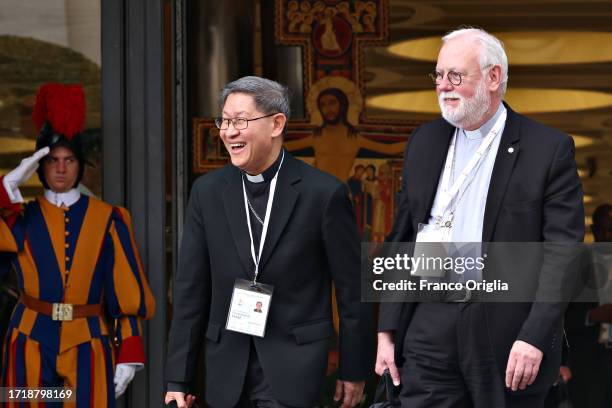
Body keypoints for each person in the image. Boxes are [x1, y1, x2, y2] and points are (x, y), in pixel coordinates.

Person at [375, 28, 584, 407]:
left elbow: (563, 254)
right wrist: (387, 330)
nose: (443, 86)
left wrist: (535, 335)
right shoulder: (423, 142)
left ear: (493, 77)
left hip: (505, 331)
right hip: (429, 320)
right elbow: (401, 237)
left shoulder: (547, 150)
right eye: (439, 76)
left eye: (456, 75)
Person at [164, 76, 373, 408]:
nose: (229, 132)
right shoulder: (207, 193)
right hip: (227, 365)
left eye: (240, 121)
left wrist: (354, 369)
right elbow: (191, 288)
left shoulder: (323, 194)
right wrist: (179, 376)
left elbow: (352, 291)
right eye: (225, 121)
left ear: (276, 124)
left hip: (294, 364)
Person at [0, 83, 155, 406]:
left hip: (89, 342)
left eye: (69, 160)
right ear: (40, 165)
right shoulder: (21, 217)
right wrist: (7, 187)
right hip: (29, 340)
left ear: (80, 165)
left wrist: (129, 352)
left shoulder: (110, 218)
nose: (60, 168)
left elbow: (125, 292)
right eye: (53, 159)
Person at [283, 87, 405, 181]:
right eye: (323, 105)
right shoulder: (317, 136)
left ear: (342, 105)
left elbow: (389, 149)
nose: (328, 109)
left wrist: (421, 141)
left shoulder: (353, 137)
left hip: (341, 193)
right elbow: (286, 147)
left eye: (332, 103)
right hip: (319, 193)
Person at [563, 204, 612, 407]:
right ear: (593, 230)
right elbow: (562, 317)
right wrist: (592, 316)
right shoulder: (579, 265)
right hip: (590, 359)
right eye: (603, 229)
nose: (608, 235)